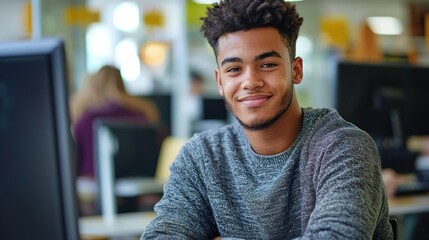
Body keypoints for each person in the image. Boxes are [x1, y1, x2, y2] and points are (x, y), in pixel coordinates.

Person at [142, 0, 393, 239]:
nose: (250, 81)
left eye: (268, 64)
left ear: (296, 70)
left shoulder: (343, 147)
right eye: (234, 69)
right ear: (220, 81)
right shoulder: (201, 157)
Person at [70, 65, 160, 178]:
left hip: (92, 182)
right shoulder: (143, 112)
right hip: (139, 182)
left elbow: (76, 159)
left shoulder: (86, 118)